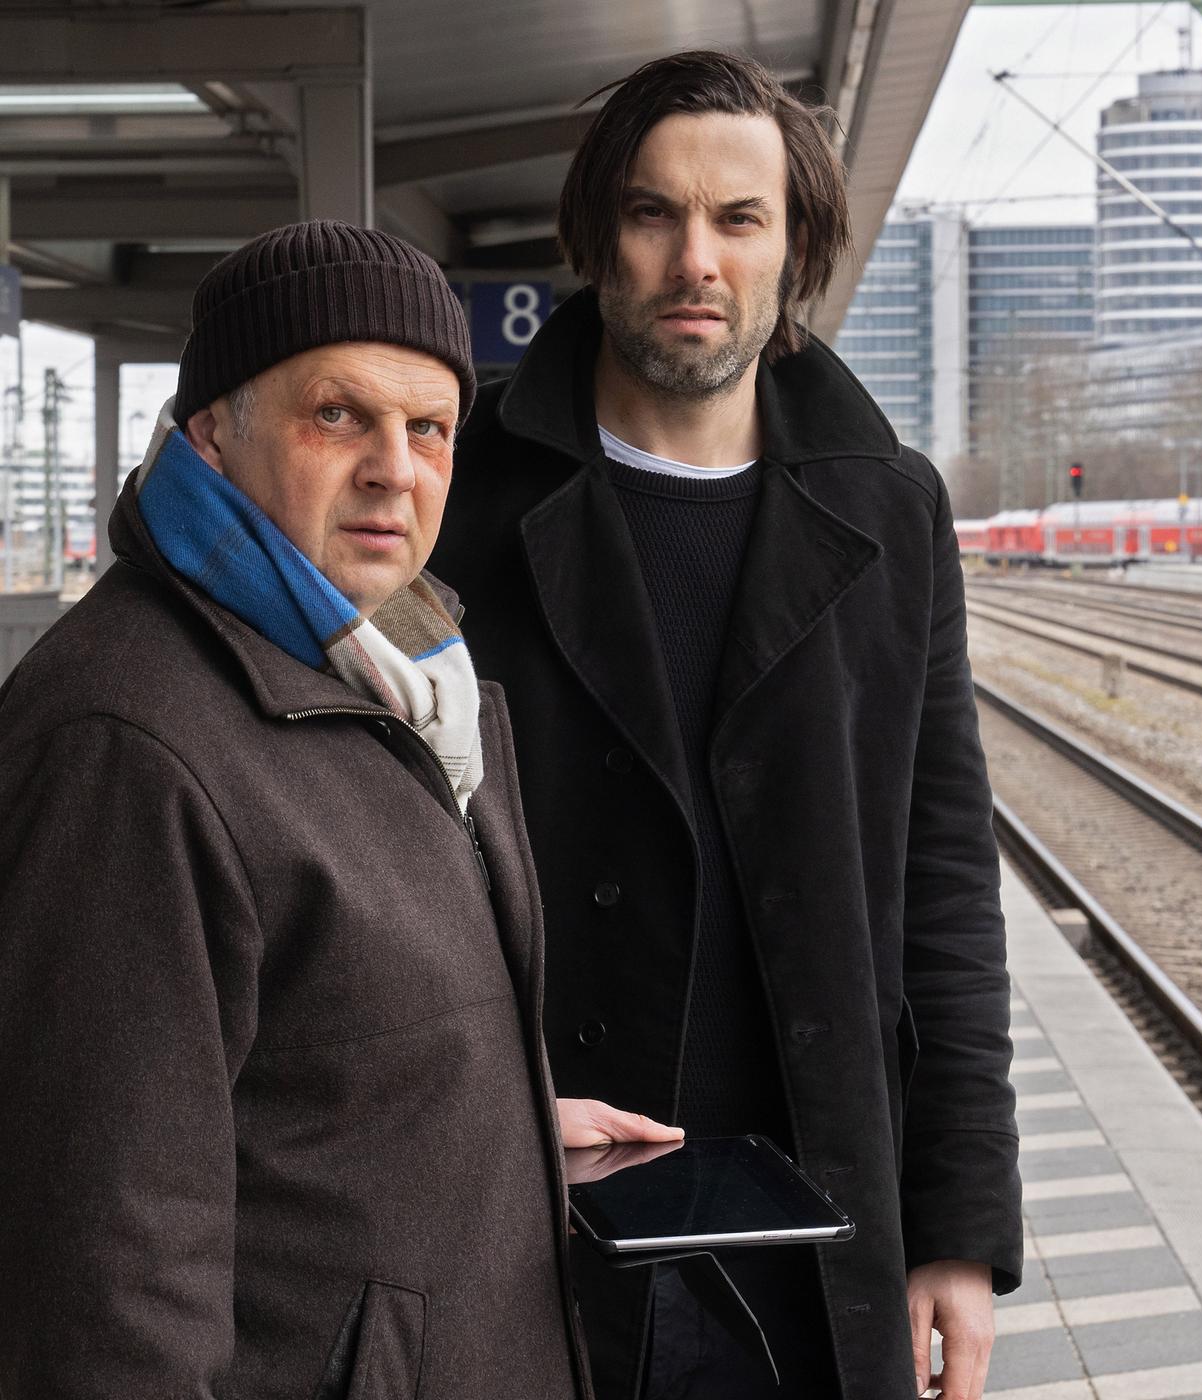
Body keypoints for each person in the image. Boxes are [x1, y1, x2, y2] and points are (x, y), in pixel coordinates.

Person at [429, 49, 1022, 1400]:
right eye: (653, 213)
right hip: (544, 1215)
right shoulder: (464, 501)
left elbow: (941, 889)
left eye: (739, 219)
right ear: (598, 238)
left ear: (794, 247)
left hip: (816, 1228)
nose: (696, 257)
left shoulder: (888, 513)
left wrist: (961, 1230)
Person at [0, 220, 678, 1398]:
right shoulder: (130, 743)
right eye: (337, 414)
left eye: (428, 428)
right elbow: (102, 1265)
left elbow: (303, 1056)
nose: (394, 468)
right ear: (212, 430)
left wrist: (500, 1130)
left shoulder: (396, 673)